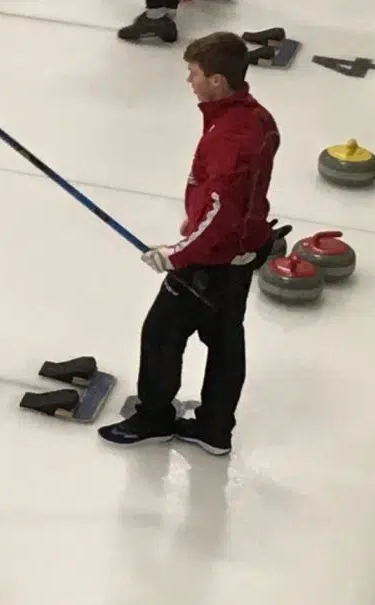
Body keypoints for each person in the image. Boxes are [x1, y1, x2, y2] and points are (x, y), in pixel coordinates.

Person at [98, 33, 280, 458]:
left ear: (217, 80)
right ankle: (216, 428)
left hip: (212, 262)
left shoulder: (229, 136)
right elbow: (235, 201)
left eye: (194, 74)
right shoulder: (256, 118)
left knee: (162, 333)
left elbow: (222, 211)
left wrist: (177, 253)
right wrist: (194, 223)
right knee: (225, 340)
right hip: (242, 251)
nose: (189, 81)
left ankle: (154, 418)